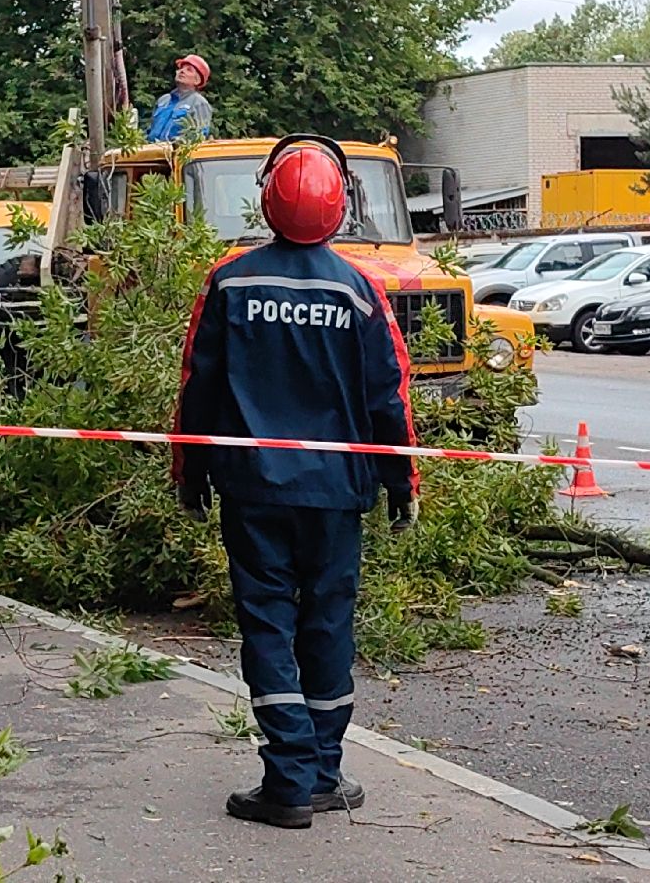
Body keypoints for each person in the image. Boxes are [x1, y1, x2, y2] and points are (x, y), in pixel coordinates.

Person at [172, 134, 417, 829]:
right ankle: (323, 775)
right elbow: (387, 402)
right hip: (338, 492)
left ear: (266, 197)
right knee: (329, 623)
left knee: (269, 625)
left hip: (253, 489)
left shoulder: (229, 282)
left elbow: (200, 388)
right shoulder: (361, 292)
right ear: (341, 204)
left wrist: (188, 472)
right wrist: (404, 484)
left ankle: (287, 779)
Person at [146, 53, 214, 142]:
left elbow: (198, 137)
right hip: (153, 152)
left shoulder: (199, 103)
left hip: (176, 154)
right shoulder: (164, 100)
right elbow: (150, 130)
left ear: (197, 80)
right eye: (180, 68)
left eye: (189, 70)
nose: (182, 71)